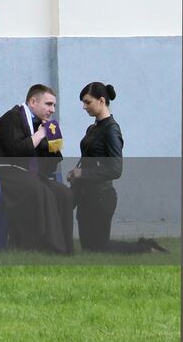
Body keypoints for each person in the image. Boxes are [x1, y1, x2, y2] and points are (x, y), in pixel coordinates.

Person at [66, 82, 167, 254]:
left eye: (87, 102)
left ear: (101, 101)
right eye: (83, 102)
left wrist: (82, 172)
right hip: (84, 194)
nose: (84, 107)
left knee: (99, 248)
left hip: (100, 197)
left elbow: (115, 169)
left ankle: (146, 248)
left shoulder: (111, 130)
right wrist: (76, 173)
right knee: (89, 247)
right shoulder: (93, 128)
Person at [0, 83, 74, 254]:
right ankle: (46, 245)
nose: (53, 109)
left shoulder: (42, 124)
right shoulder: (11, 118)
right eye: (49, 104)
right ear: (33, 102)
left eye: (54, 105)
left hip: (28, 177)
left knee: (63, 193)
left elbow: (48, 168)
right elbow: (16, 151)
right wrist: (39, 135)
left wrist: (52, 143)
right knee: (39, 189)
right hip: (4, 175)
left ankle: (64, 247)